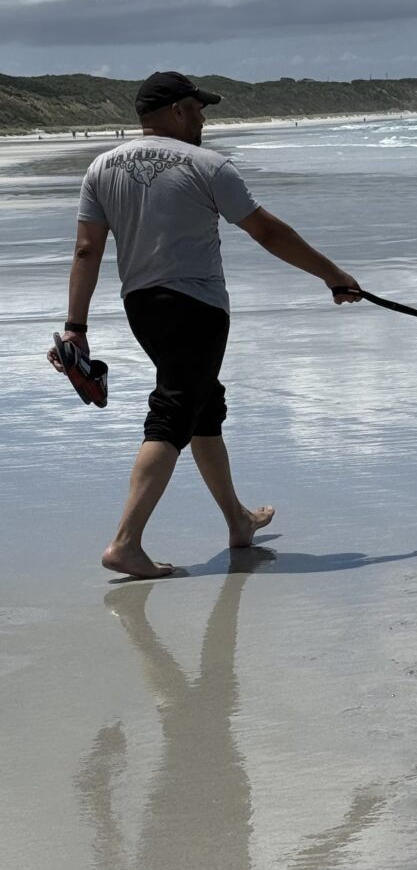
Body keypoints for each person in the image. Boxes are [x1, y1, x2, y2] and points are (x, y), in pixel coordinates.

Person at [48, 71, 361, 580]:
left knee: (202, 405)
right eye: (198, 108)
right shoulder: (209, 166)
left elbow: (87, 248)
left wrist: (75, 327)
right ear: (175, 110)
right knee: (175, 409)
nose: (203, 117)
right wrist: (333, 275)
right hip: (197, 307)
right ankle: (125, 543)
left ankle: (238, 521)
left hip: (142, 307)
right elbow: (265, 231)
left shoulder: (100, 167)